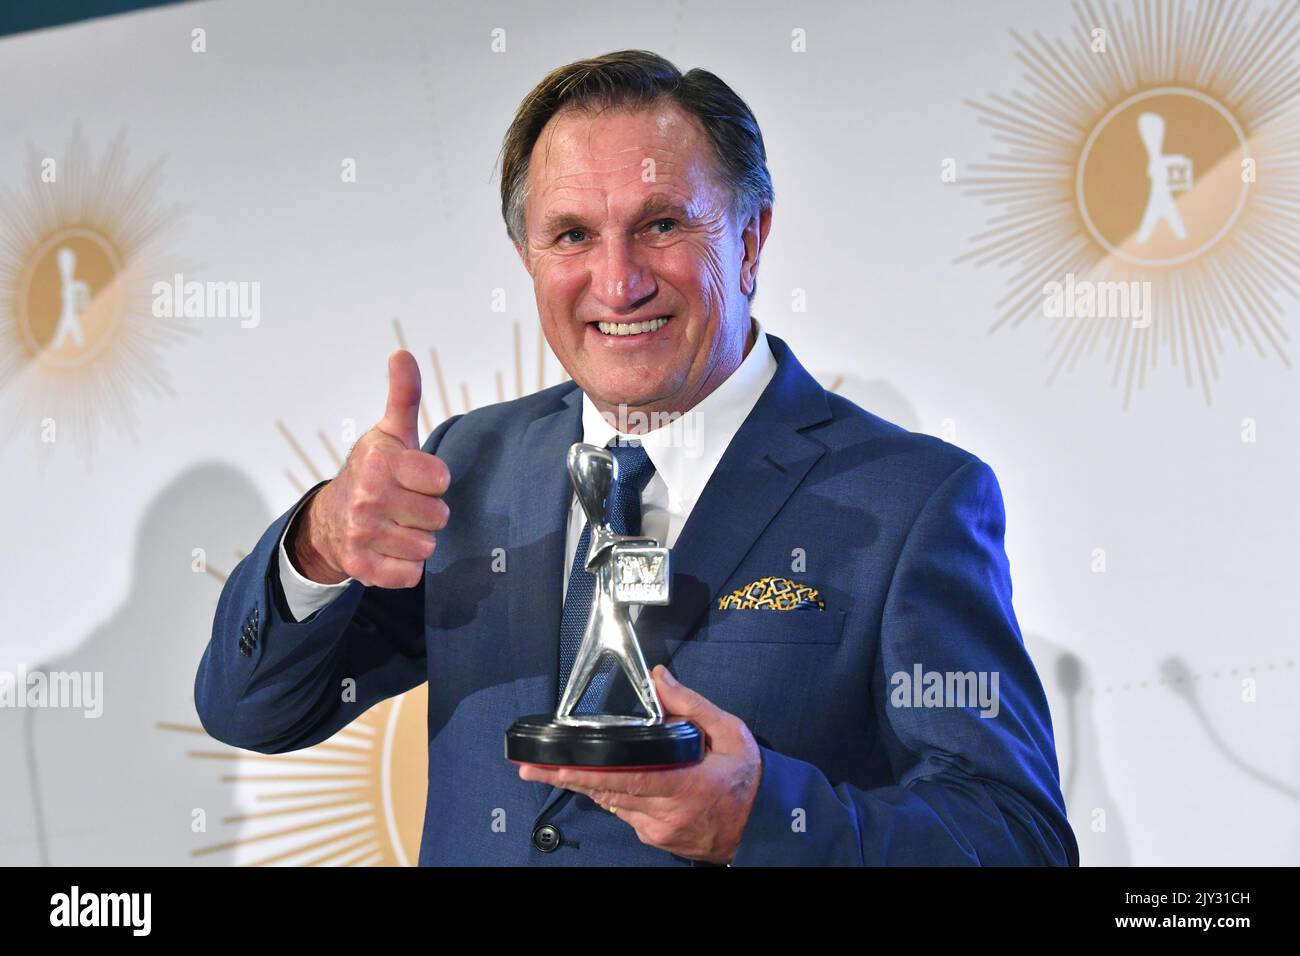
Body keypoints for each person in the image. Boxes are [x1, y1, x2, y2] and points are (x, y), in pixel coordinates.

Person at [195, 49, 1078, 866]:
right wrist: (317, 541)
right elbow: (255, 711)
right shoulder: (471, 464)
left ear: (751, 238)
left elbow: (1017, 837)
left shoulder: (913, 501)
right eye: (573, 235)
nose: (618, 283)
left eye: (661, 225)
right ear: (527, 257)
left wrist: (761, 816)